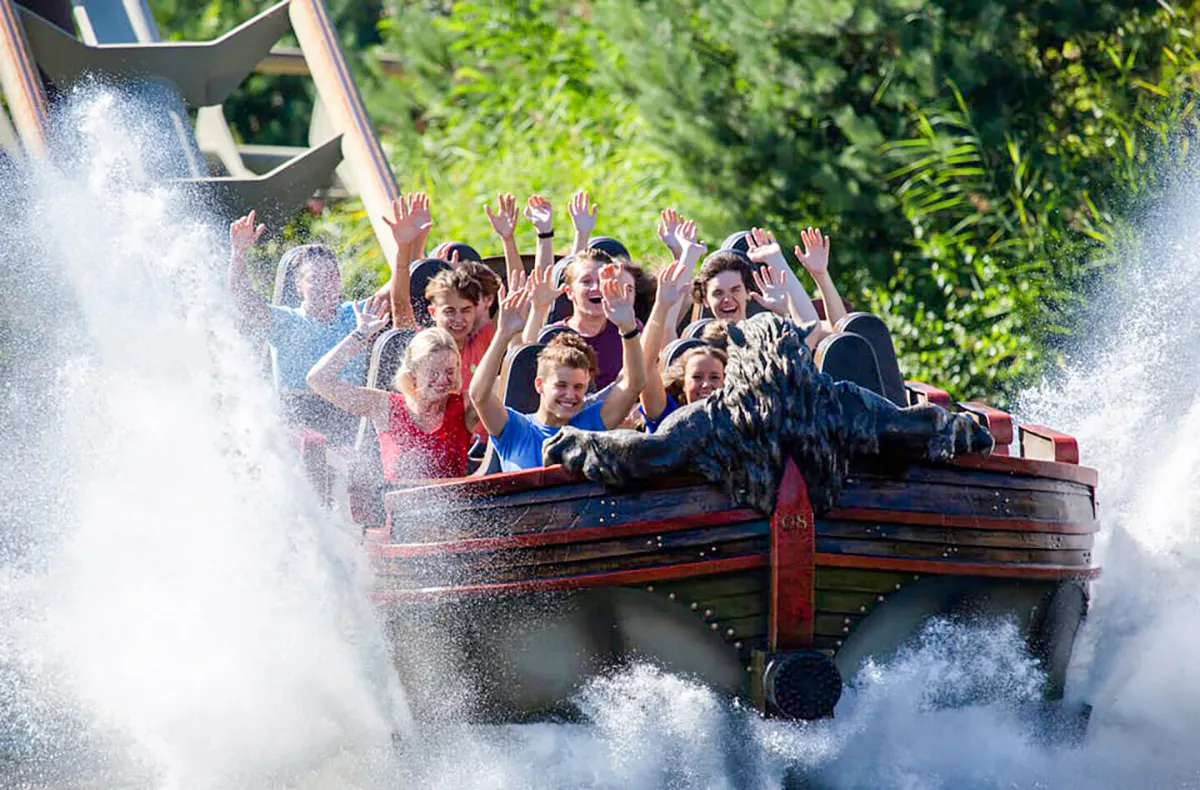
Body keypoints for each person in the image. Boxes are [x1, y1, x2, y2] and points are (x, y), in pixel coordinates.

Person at [228, 211, 396, 443]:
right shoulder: (286, 321)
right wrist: (239, 254)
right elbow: (242, 300)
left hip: (349, 420)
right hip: (300, 423)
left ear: (338, 280)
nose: (324, 285)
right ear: (299, 286)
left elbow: (398, 290)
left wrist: (408, 245)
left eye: (330, 277)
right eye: (314, 278)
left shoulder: (356, 315)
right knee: (312, 444)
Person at [469, 272, 646, 472]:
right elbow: (479, 395)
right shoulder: (515, 428)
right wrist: (503, 335)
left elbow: (634, 384)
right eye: (561, 385)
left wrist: (628, 328)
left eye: (578, 387)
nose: (570, 395)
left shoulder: (590, 423)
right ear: (540, 385)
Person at [307, 303, 477, 482]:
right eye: (434, 373)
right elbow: (318, 379)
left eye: (449, 371)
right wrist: (360, 334)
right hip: (395, 506)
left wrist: (505, 334)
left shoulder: (466, 405)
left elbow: (503, 389)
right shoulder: (384, 406)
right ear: (413, 373)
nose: (443, 380)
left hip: (455, 507)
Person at [523, 247, 640, 389]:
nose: (595, 287)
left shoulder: (628, 329)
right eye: (586, 281)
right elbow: (523, 362)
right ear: (569, 292)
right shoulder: (555, 335)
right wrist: (538, 309)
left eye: (601, 280)